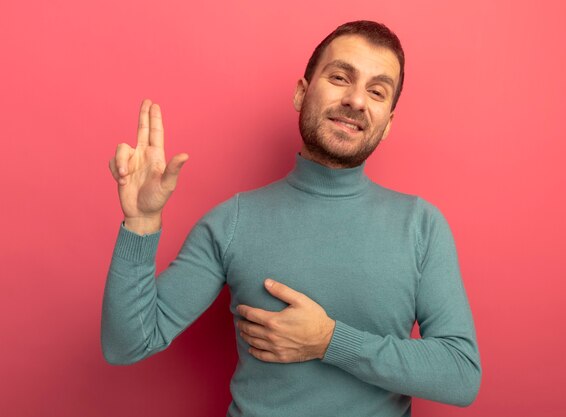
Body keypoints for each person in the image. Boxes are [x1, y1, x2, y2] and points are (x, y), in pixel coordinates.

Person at [102, 20, 482, 416]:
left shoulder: (421, 226)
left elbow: (460, 374)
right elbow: (128, 344)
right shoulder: (232, 221)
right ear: (302, 93)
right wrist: (142, 222)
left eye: (376, 91)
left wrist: (329, 340)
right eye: (340, 77)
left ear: (387, 124)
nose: (356, 100)